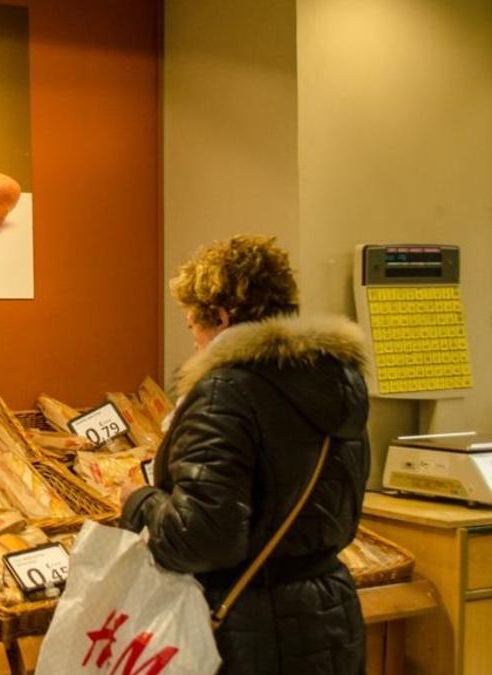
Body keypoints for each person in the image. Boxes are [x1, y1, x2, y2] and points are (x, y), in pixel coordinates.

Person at [121, 235, 369, 674]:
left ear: (220, 315)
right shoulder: (338, 381)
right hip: (330, 613)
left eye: (194, 325)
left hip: (251, 630)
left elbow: (203, 538)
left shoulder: (226, 392)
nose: (195, 341)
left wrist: (139, 501)